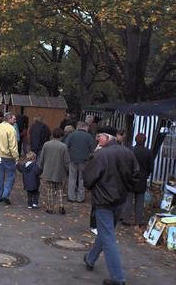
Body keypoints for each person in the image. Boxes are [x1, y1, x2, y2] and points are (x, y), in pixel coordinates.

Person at [83, 126, 139, 285]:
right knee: (105, 233)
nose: (97, 139)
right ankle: (90, 258)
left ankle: (118, 278)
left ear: (107, 138)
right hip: (119, 200)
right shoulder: (127, 152)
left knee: (108, 237)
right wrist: (126, 189)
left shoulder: (101, 154)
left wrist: (94, 189)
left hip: (104, 202)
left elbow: (88, 178)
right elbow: (136, 175)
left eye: (99, 136)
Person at [122, 133, 153, 226]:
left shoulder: (130, 150)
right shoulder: (148, 152)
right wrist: (146, 175)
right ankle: (138, 220)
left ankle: (126, 218)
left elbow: (125, 164)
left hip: (131, 177)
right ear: (145, 141)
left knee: (128, 199)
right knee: (139, 200)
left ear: (135, 140)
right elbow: (150, 167)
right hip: (142, 178)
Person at [38, 127, 70, 214]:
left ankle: (50, 208)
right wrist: (68, 171)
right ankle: (61, 206)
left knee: (49, 190)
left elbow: (42, 158)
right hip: (60, 171)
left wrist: (40, 168)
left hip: (48, 170)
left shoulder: (46, 144)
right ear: (61, 136)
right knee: (60, 189)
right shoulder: (63, 146)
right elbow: (66, 161)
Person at [0, 112, 19, 204]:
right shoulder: (11, 129)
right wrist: (16, 157)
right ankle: (5, 194)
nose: (15, 121)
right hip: (8, 157)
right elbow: (13, 146)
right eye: (14, 119)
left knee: (0, 176)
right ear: (9, 119)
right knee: (10, 176)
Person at [64, 121, 94, 203]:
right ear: (85, 127)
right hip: (84, 161)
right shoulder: (89, 136)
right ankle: (80, 198)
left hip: (72, 159)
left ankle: (71, 196)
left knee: (72, 178)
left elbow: (66, 146)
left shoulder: (71, 135)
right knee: (81, 179)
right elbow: (92, 150)